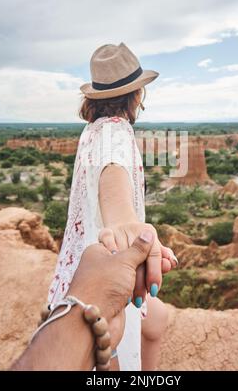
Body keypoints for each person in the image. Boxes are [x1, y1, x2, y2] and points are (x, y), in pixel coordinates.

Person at [47, 42, 176, 370]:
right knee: (111, 350)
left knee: (155, 320)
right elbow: (113, 173)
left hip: (83, 266)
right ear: (136, 96)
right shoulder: (115, 134)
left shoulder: (93, 130)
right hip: (108, 267)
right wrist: (125, 223)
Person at [11, 228, 163, 371]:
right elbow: (114, 203)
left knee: (156, 318)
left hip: (99, 257)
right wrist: (130, 229)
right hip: (99, 251)